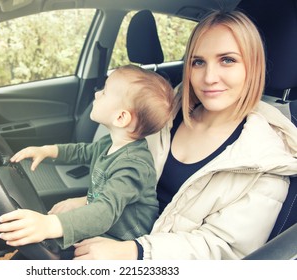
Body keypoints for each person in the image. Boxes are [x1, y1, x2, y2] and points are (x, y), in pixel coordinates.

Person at [72, 10, 297, 260]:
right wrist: (89, 203)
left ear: (253, 66)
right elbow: (129, 178)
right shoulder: (166, 114)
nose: (209, 78)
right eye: (198, 62)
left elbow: (223, 249)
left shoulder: (267, 161)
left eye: (227, 60)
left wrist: (133, 252)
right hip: (114, 235)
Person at [0, 65, 174, 253]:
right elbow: (82, 152)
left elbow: (104, 212)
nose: (97, 94)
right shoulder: (111, 143)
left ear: (121, 117)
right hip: (104, 225)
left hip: (120, 239)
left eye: (104, 92)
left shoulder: (134, 167)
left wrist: (49, 225)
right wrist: (47, 150)